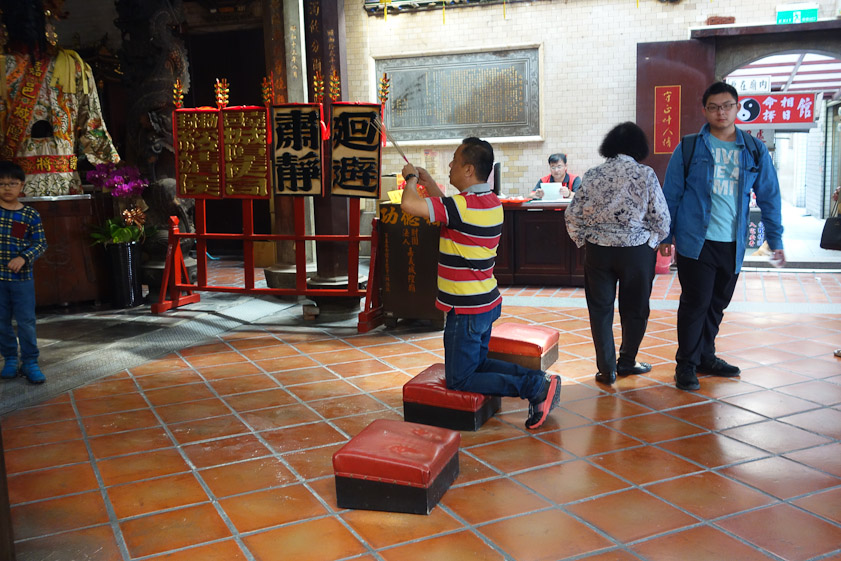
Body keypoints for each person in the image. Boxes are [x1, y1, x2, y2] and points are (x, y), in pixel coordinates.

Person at [400, 137, 561, 429]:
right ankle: (539, 381)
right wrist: (429, 181)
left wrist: (411, 179)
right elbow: (447, 209)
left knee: (460, 379)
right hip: (483, 303)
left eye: (455, 161)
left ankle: (534, 389)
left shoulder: (462, 207)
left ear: (469, 170)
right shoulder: (489, 203)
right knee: (478, 365)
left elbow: (410, 205)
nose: (450, 165)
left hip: (465, 310)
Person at [660, 81, 785, 391]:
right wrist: (666, 237)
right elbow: (670, 195)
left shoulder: (753, 149)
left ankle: (706, 356)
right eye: (714, 107)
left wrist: (776, 240)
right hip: (695, 242)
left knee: (717, 304)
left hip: (733, 243)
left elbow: (769, 196)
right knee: (695, 303)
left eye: (727, 105)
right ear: (705, 110)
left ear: (737, 108)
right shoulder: (688, 147)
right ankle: (686, 364)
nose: (721, 112)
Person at [565, 122, 670, 385]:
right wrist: (652, 242)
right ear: (638, 147)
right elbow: (662, 217)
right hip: (636, 252)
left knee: (600, 310)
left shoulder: (592, 174)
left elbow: (573, 215)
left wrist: (583, 240)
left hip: (599, 251)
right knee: (635, 309)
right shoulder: (645, 174)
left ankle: (606, 369)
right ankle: (627, 361)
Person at [0, 0, 121, 197]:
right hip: (64, 187)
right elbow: (95, 132)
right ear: (44, 21)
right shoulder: (73, 66)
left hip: (10, 192)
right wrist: (118, 176)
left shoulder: (3, 69)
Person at [0, 160, 47, 384]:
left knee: (26, 322)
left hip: (22, 280)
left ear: (22, 186)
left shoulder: (30, 215)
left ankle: (30, 362)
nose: (7, 188)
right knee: (1, 322)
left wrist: (23, 257)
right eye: (1, 184)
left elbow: (40, 244)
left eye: (12, 183)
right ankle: (10, 358)